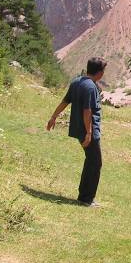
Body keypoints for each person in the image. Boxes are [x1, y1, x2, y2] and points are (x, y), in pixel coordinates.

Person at [46, 57, 107, 207]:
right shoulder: (91, 87)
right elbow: (87, 111)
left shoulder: (76, 82)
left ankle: (84, 196)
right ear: (99, 73)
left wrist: (53, 117)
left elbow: (65, 101)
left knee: (91, 161)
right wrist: (89, 133)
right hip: (88, 130)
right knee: (95, 163)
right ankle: (86, 199)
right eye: (103, 71)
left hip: (80, 129)